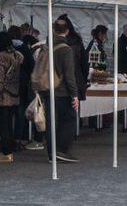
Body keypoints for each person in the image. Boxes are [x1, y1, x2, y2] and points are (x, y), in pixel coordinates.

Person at [36, 18, 80, 163]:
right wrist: (74, 94)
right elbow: (69, 75)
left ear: (54, 30)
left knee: (52, 123)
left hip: (47, 89)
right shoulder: (65, 49)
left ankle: (51, 153)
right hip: (62, 91)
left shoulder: (46, 46)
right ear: (67, 31)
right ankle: (60, 151)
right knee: (70, 120)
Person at [0, 32, 24, 163]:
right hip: (15, 94)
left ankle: (6, 153)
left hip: (3, 96)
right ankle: (9, 151)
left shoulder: (0, 57)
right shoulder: (17, 55)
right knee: (9, 125)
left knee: (3, 126)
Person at [7, 26, 35, 146]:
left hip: (8, 84)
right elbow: (31, 66)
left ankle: (7, 138)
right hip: (22, 84)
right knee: (20, 111)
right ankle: (19, 137)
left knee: (8, 112)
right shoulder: (24, 48)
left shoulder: (6, 48)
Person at [58, 14, 88, 100]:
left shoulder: (54, 43)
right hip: (76, 82)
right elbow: (84, 64)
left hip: (60, 85)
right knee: (73, 111)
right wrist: (84, 81)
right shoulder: (77, 41)